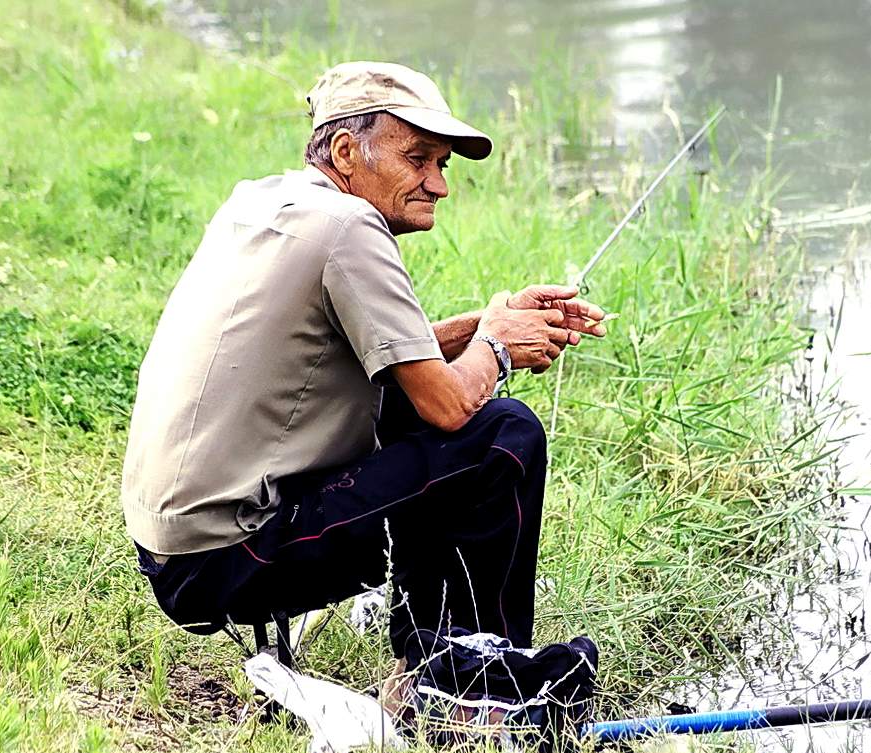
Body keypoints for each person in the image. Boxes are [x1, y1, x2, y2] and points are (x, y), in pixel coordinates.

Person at [120, 61, 607, 705]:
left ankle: (438, 655)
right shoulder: (348, 228)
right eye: (419, 158)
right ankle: (479, 686)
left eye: (444, 164)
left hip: (175, 555)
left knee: (408, 413)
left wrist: (489, 321)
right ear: (347, 151)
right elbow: (450, 405)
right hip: (228, 562)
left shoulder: (267, 201)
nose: (438, 184)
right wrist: (498, 345)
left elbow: (352, 357)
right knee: (502, 437)